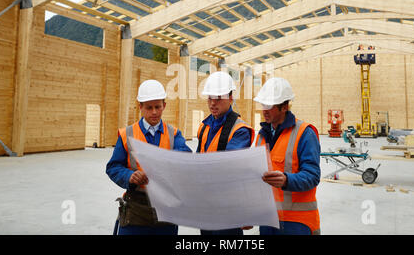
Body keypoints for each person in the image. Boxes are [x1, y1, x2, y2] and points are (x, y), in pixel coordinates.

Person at [106, 79, 192, 235]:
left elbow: (184, 158)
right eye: (149, 107)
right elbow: (113, 167)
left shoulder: (174, 134)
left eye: (158, 107)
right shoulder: (127, 134)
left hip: (166, 210)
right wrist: (129, 176)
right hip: (136, 209)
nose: (154, 112)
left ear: (164, 105)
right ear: (140, 107)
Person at [253, 77, 321, 235]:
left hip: (297, 222)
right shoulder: (262, 136)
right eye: (263, 104)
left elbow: (313, 175)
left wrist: (286, 180)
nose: (264, 110)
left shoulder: (305, 133)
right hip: (268, 219)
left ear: (284, 107)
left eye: (269, 105)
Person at [196, 71, 255, 235]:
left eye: (218, 99)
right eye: (210, 98)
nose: (213, 103)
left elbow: (229, 168)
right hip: (206, 205)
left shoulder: (240, 130)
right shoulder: (204, 127)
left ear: (230, 97)